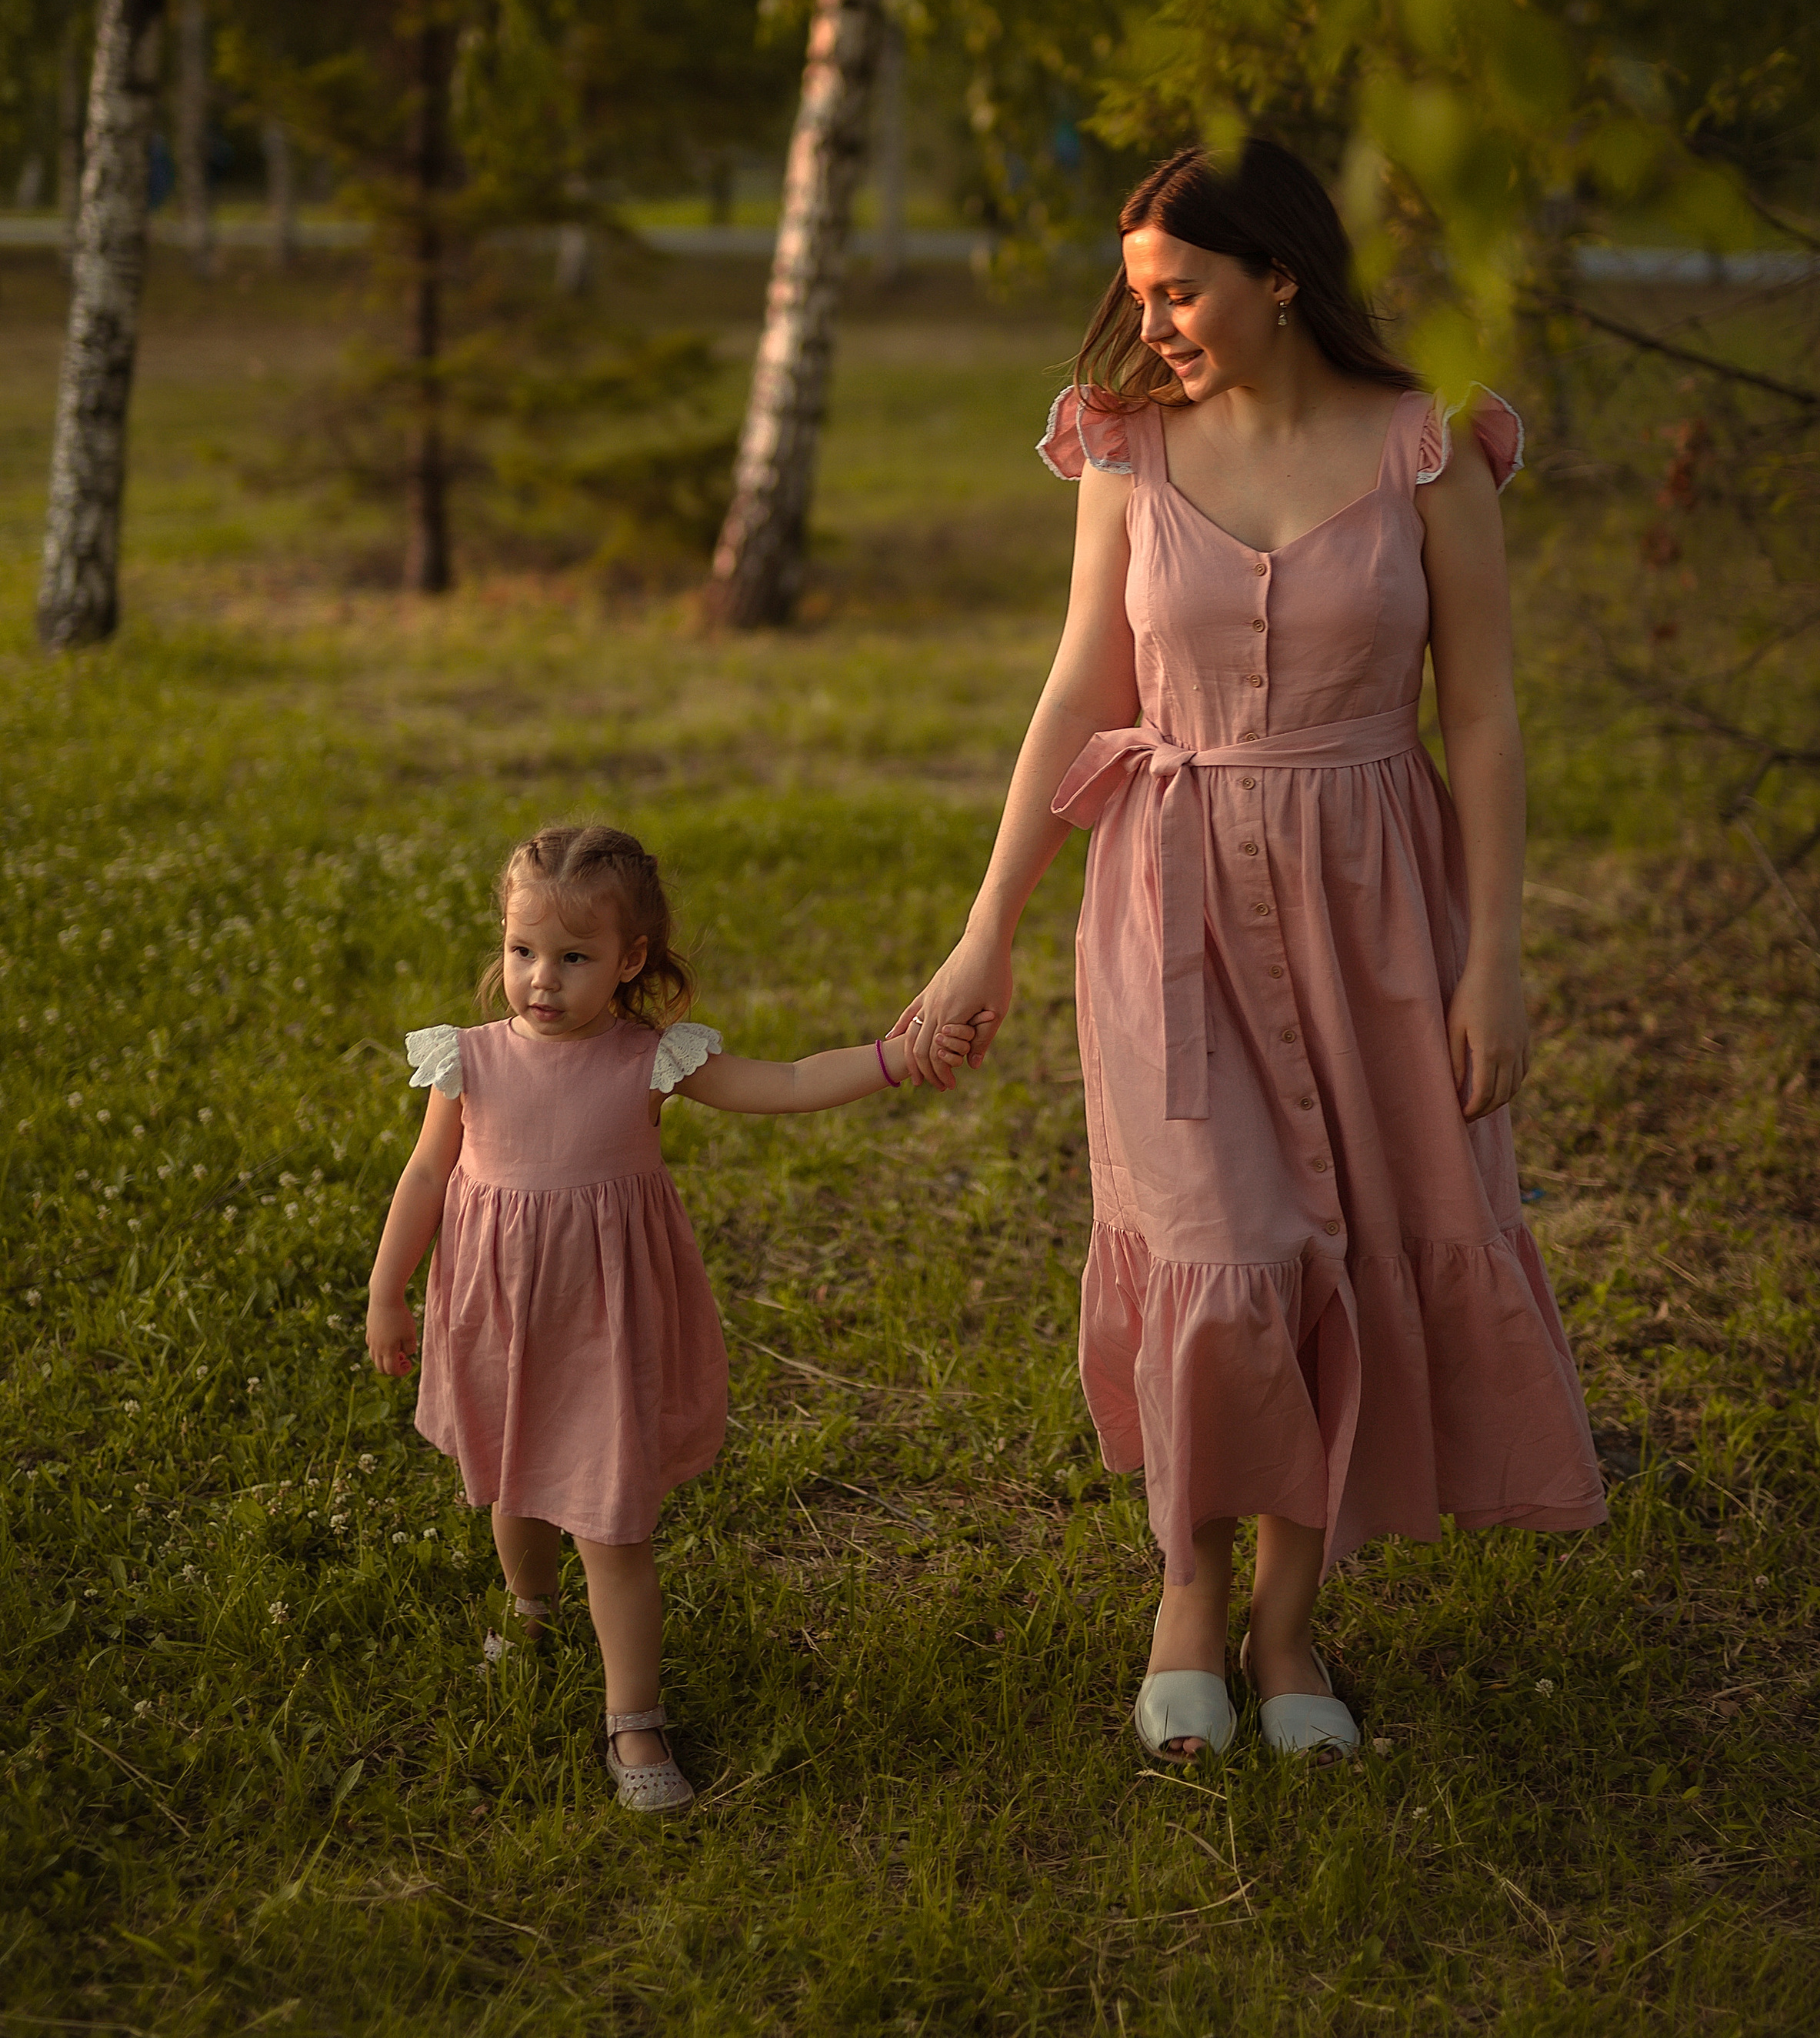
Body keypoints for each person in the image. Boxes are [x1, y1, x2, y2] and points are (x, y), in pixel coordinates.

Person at [897, 138, 1605, 1763]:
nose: (1150, 326)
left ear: (1279, 276)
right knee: (1221, 1248)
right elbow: (1080, 695)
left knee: (1341, 1244)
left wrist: (1494, 954)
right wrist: (982, 931)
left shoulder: (1429, 450)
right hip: (1169, 897)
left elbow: (1483, 719)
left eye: (1181, 290)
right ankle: (1185, 1607)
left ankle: (1289, 1628)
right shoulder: (1127, 455)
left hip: (1377, 897)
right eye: (1136, 295)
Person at [365, 820, 968, 1813]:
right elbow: (427, 1174)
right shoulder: (467, 1061)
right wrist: (392, 1289)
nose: (541, 980)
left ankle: (632, 1717)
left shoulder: (652, 1061)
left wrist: (892, 1059)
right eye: (522, 953)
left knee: (613, 1525)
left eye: (573, 958)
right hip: (506, 1323)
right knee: (516, 1490)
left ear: (629, 960)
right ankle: (529, 1606)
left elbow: (784, 1083)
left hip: (605, 1329)